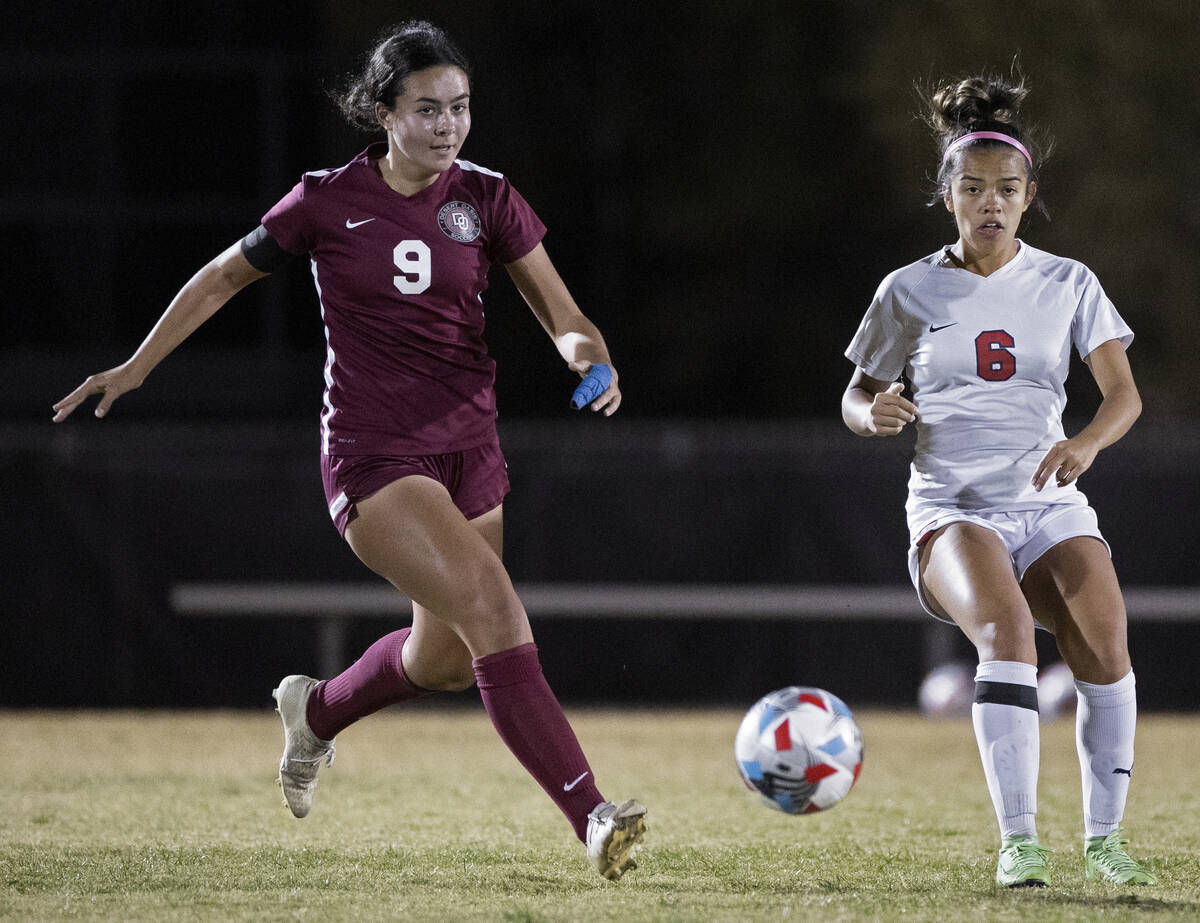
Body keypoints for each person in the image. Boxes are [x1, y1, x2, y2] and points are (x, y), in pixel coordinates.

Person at [52, 20, 646, 881]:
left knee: (443, 658)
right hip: (374, 457)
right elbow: (222, 275)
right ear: (382, 112)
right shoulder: (324, 200)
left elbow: (564, 315)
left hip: (469, 452)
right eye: (428, 109)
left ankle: (317, 711)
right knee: (496, 608)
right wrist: (140, 365)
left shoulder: (486, 197)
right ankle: (593, 815)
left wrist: (589, 360)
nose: (449, 126)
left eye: (461, 108)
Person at [841, 72, 1155, 889]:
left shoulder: (1068, 282)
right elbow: (855, 393)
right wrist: (866, 413)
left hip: (1048, 501)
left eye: (1007, 190)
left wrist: (1085, 442)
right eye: (974, 188)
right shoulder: (908, 289)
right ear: (947, 195)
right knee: (1007, 635)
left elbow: (1124, 396)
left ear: (1028, 195)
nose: (991, 203)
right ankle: (1020, 841)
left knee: (1107, 642)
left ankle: (1106, 842)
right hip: (953, 506)